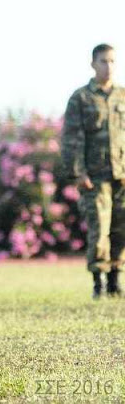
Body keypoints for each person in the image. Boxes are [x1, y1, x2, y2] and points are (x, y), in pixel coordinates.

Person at [61, 43, 125, 299]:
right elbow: (71, 139)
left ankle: (114, 279)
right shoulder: (81, 98)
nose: (108, 66)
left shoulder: (122, 96)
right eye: (103, 61)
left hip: (121, 174)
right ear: (93, 64)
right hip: (95, 177)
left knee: (121, 228)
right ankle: (98, 281)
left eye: (111, 61)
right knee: (100, 228)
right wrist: (79, 173)